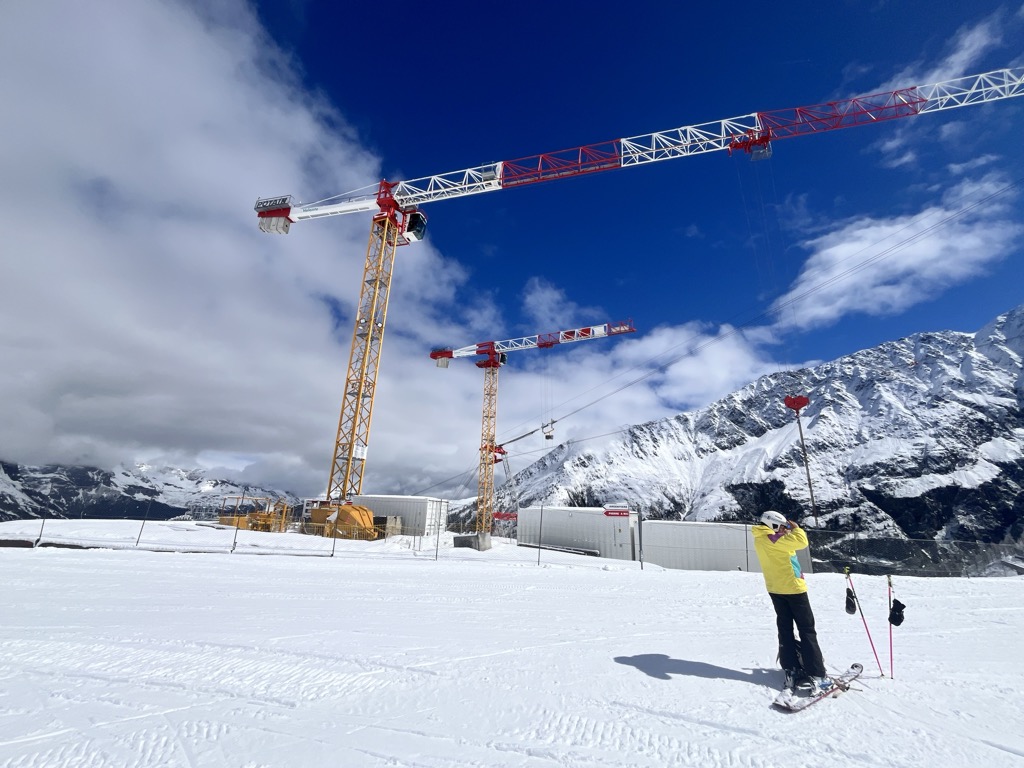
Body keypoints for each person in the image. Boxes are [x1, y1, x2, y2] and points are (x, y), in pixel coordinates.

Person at [751, 510, 831, 693]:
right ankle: (816, 672)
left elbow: (781, 546)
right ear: (771, 525)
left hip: (775, 589)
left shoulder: (760, 538)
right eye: (780, 527)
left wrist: (784, 531)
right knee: (807, 629)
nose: (783, 530)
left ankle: (791, 668)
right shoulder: (774, 539)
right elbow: (802, 542)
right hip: (793, 589)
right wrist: (796, 528)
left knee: (785, 628)